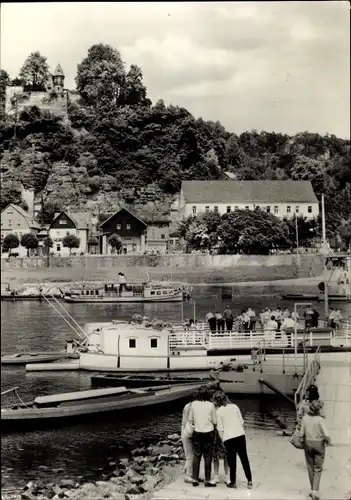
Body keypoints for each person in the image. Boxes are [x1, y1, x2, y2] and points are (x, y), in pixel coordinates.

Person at [213, 390, 253, 489]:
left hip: (228, 437)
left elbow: (220, 429)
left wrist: (223, 441)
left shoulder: (218, 412)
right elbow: (241, 421)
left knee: (232, 460)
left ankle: (233, 482)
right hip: (240, 435)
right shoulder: (235, 407)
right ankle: (249, 481)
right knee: (244, 458)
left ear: (217, 401)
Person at [298, 400, 331, 500]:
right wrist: (328, 441)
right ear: (319, 410)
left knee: (310, 467)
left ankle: (313, 489)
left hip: (308, 443)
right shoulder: (321, 420)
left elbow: (301, 434)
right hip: (319, 444)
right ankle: (315, 492)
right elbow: (327, 434)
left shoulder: (305, 418)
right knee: (318, 468)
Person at [188, 386, 217, 487]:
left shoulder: (194, 404)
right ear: (208, 394)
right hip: (208, 432)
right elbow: (214, 421)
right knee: (208, 456)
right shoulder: (211, 405)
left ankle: (195, 478)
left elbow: (190, 419)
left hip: (197, 432)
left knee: (197, 455)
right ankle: (207, 480)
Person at [211, 389, 229, 485]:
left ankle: (217, 476)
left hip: (216, 435)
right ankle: (227, 477)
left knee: (215, 457)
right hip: (225, 434)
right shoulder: (227, 408)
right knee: (226, 457)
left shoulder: (214, 409)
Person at [181, 393, 196, 483]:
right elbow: (186, 421)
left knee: (190, 455)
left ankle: (190, 474)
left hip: (186, 431)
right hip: (188, 432)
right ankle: (187, 475)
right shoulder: (190, 407)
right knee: (190, 455)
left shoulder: (187, 406)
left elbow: (183, 422)